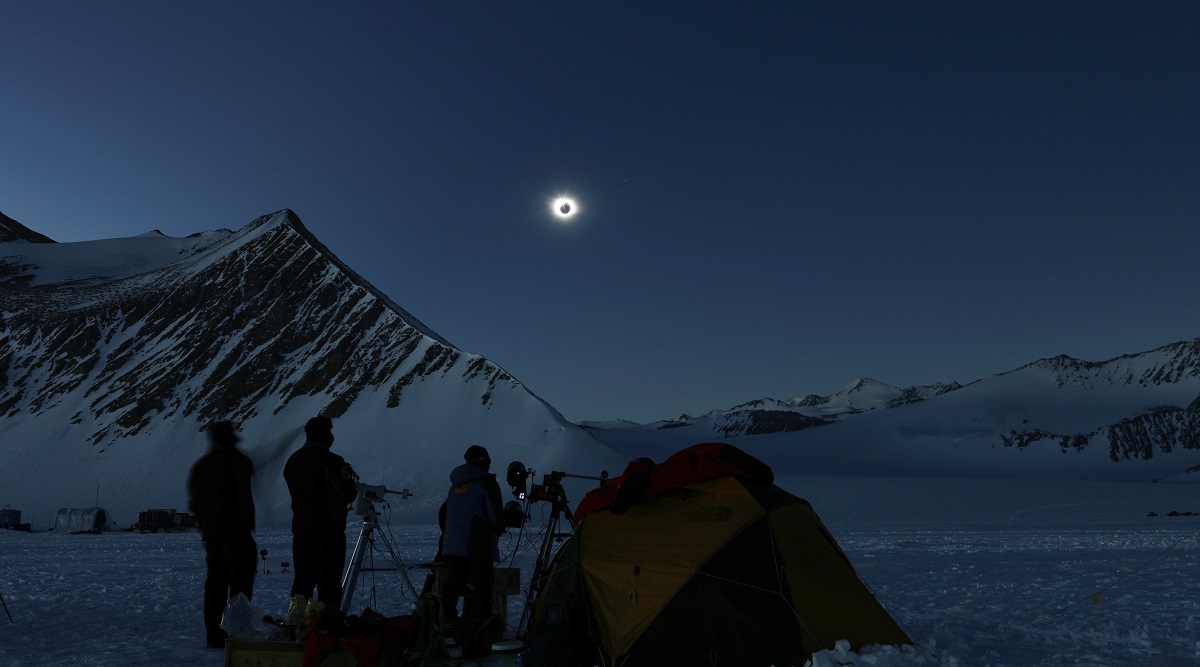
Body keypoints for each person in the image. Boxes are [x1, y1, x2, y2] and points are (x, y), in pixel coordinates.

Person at [187, 420, 257, 649]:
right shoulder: (237, 461)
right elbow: (243, 495)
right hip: (235, 532)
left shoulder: (201, 466)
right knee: (241, 581)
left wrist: (206, 527)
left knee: (215, 582)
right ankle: (237, 629)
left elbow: (195, 503)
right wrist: (246, 524)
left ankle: (214, 632)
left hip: (212, 534)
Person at [283, 415, 359, 614]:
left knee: (302, 581)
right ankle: (327, 628)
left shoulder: (293, 461)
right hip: (329, 531)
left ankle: (297, 624)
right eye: (329, 432)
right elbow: (348, 493)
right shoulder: (332, 462)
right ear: (324, 434)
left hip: (301, 530)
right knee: (329, 583)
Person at [439, 444, 505, 657]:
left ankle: (444, 635)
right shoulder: (487, 484)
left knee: (450, 589)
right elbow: (495, 517)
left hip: (450, 546)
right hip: (476, 546)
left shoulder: (455, 485)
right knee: (479, 591)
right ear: (485, 462)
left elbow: (444, 513)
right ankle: (476, 641)